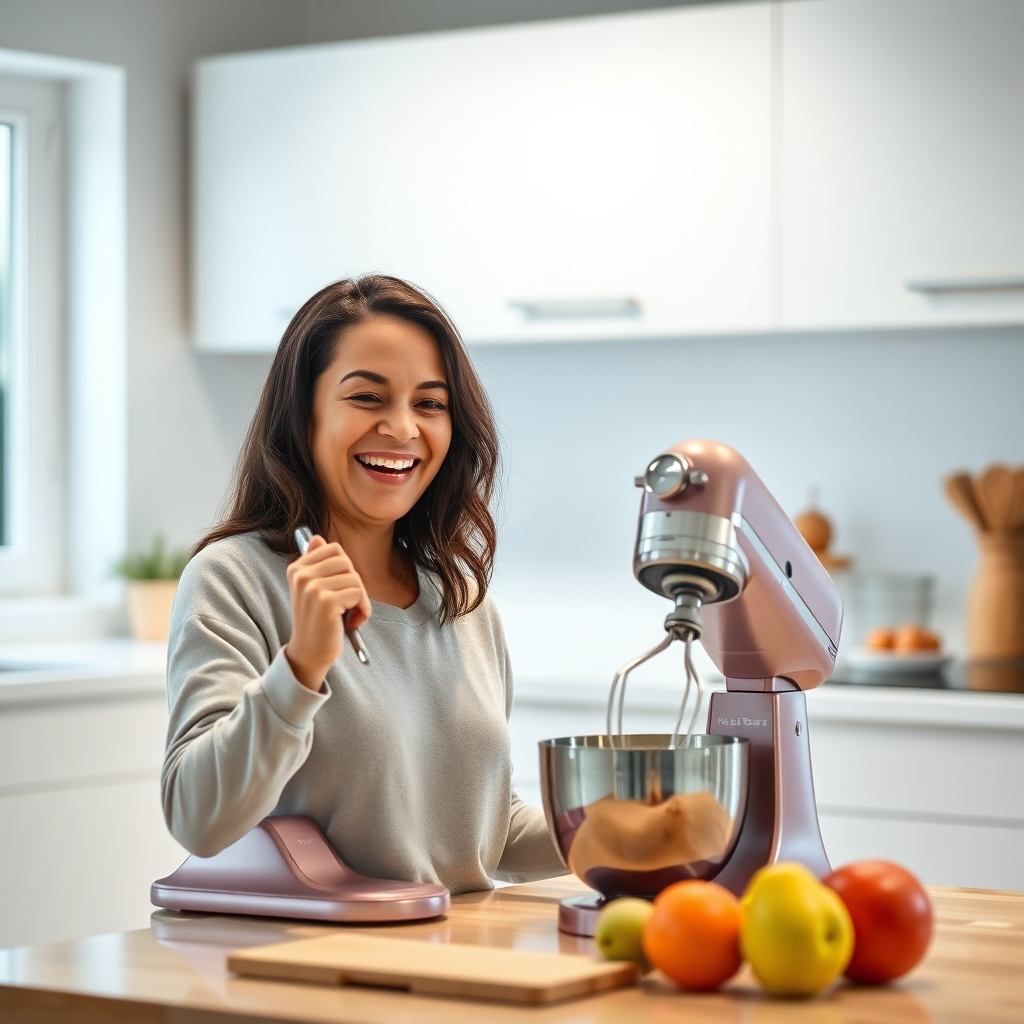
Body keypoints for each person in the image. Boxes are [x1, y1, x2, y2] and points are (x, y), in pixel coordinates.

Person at [161, 276, 566, 893]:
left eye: (430, 404)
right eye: (368, 398)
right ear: (304, 413)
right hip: (328, 968)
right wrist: (301, 668)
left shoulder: (460, 599)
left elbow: (486, 833)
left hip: (460, 956)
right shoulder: (232, 579)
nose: (403, 428)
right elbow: (199, 818)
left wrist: (601, 831)